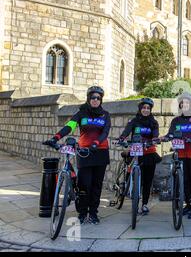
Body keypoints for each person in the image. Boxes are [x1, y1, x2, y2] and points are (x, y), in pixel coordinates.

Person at [44, 86, 111, 225]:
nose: (95, 100)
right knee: (84, 185)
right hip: (84, 152)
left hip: (100, 152)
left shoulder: (105, 115)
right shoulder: (81, 114)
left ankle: (93, 213)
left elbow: (105, 132)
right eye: (93, 97)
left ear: (101, 100)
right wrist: (55, 138)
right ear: (88, 98)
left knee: (96, 185)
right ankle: (82, 212)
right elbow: (69, 127)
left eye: (98, 98)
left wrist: (96, 143)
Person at [118, 98, 162, 215]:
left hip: (149, 152)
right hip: (136, 152)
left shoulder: (154, 122)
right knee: (130, 176)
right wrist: (122, 138)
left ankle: (144, 204)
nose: (146, 110)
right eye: (144, 108)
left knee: (147, 181)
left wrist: (154, 139)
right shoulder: (134, 121)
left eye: (148, 108)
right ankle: (127, 192)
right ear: (140, 108)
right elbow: (126, 131)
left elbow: (155, 134)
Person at [166, 93, 191, 220]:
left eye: (187, 102)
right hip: (181, 153)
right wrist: (165, 137)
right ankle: (188, 204)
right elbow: (170, 134)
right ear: (180, 105)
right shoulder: (176, 120)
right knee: (185, 180)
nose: (185, 105)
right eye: (183, 103)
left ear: (190, 104)